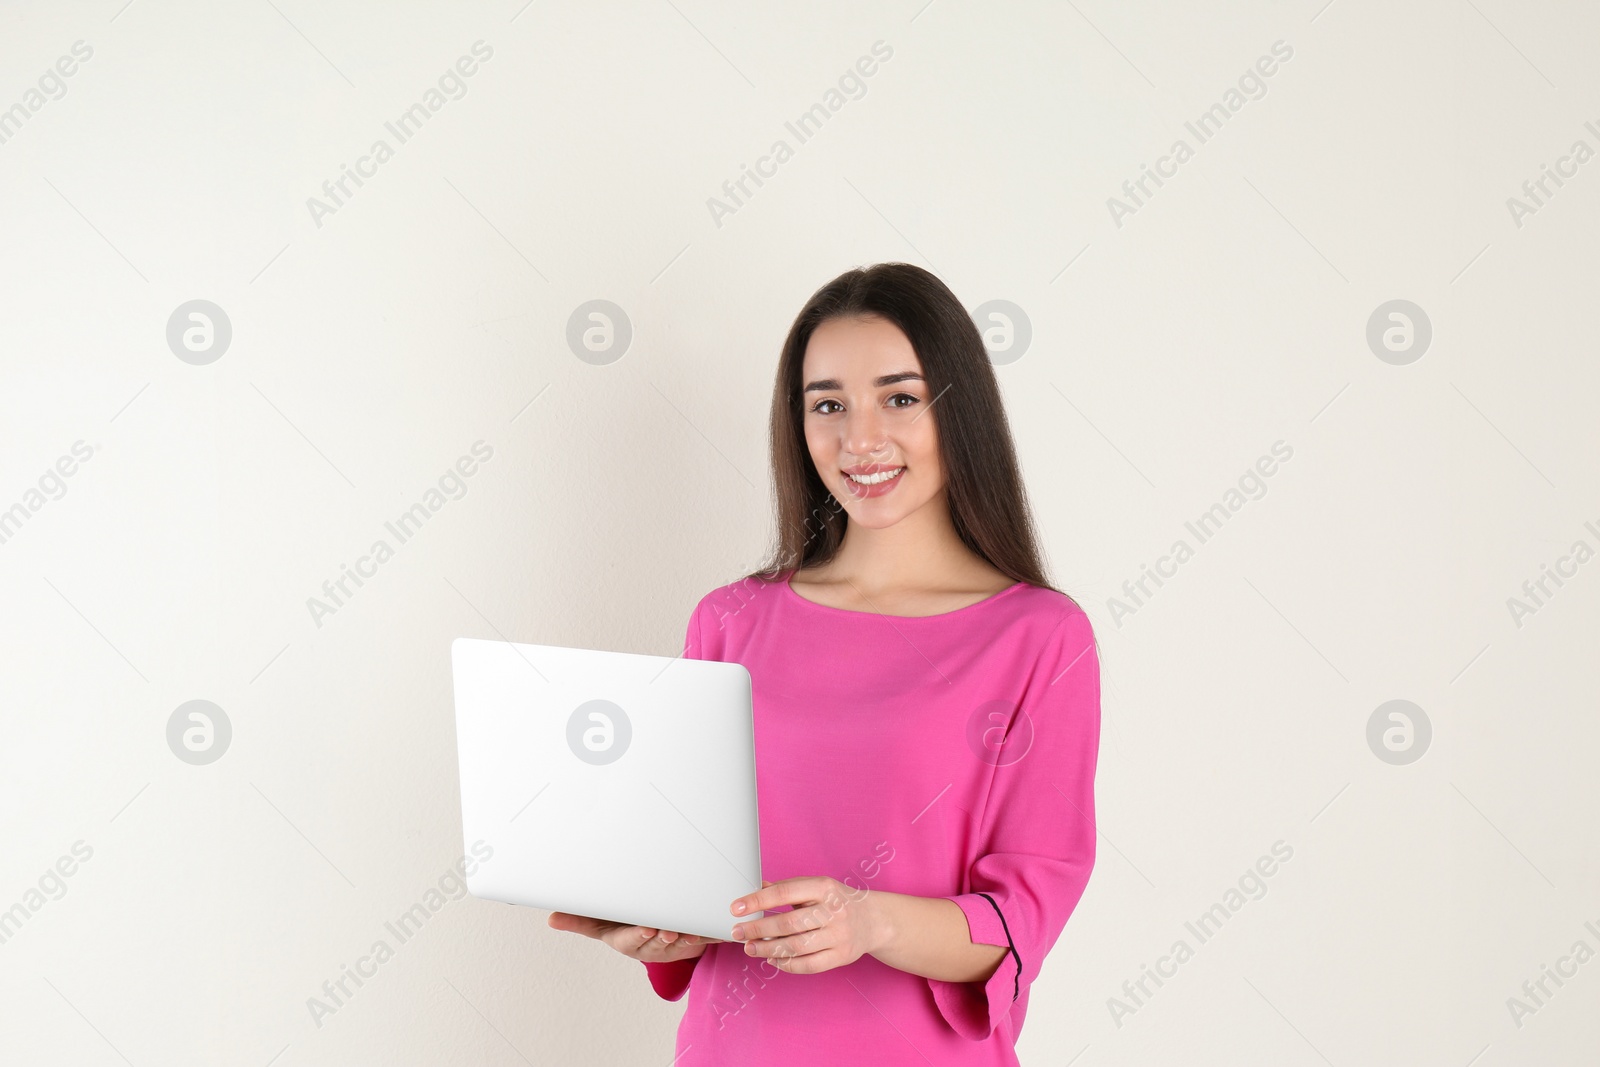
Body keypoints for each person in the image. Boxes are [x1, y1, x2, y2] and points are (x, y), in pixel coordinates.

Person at [548, 262, 1102, 1065]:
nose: (860, 438)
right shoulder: (730, 621)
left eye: (900, 398)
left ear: (960, 410)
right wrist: (652, 930)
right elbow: (697, 887)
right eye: (829, 405)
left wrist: (869, 920)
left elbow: (1020, 920)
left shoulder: (1039, 638)